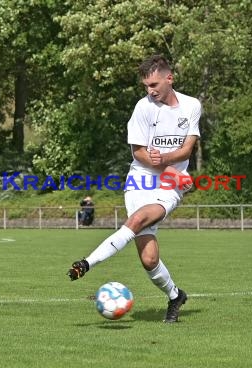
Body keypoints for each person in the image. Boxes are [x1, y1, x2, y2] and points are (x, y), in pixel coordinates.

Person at [66, 55, 201, 323]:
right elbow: (138, 152)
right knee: (149, 260)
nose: (150, 91)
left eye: (153, 84)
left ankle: (87, 263)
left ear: (169, 78)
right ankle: (176, 296)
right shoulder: (143, 107)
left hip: (171, 181)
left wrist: (164, 161)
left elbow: (187, 149)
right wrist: (153, 159)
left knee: (137, 219)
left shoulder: (192, 106)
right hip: (140, 180)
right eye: (145, 86)